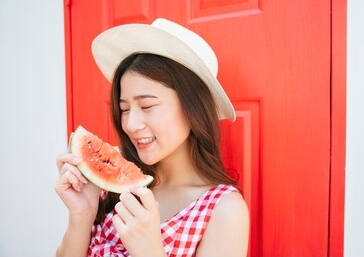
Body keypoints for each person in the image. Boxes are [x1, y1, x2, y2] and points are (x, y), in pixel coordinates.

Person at [55, 18, 249, 257]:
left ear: (193, 109)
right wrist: (81, 216)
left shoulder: (224, 211)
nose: (130, 124)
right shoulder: (105, 192)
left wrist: (150, 252)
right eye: (124, 109)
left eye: (146, 106)